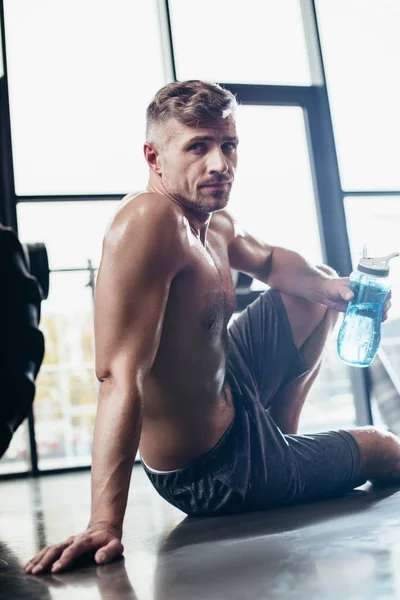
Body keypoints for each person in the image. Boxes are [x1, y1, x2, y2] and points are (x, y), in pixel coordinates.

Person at [25, 80, 397, 575]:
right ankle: (279, 463)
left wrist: (338, 291)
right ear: (154, 157)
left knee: (316, 284)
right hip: (218, 469)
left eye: (228, 144)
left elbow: (271, 261)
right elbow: (118, 375)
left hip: (237, 397)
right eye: (198, 146)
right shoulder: (148, 220)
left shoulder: (212, 221)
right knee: (388, 448)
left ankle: (282, 443)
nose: (219, 163)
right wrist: (104, 523)